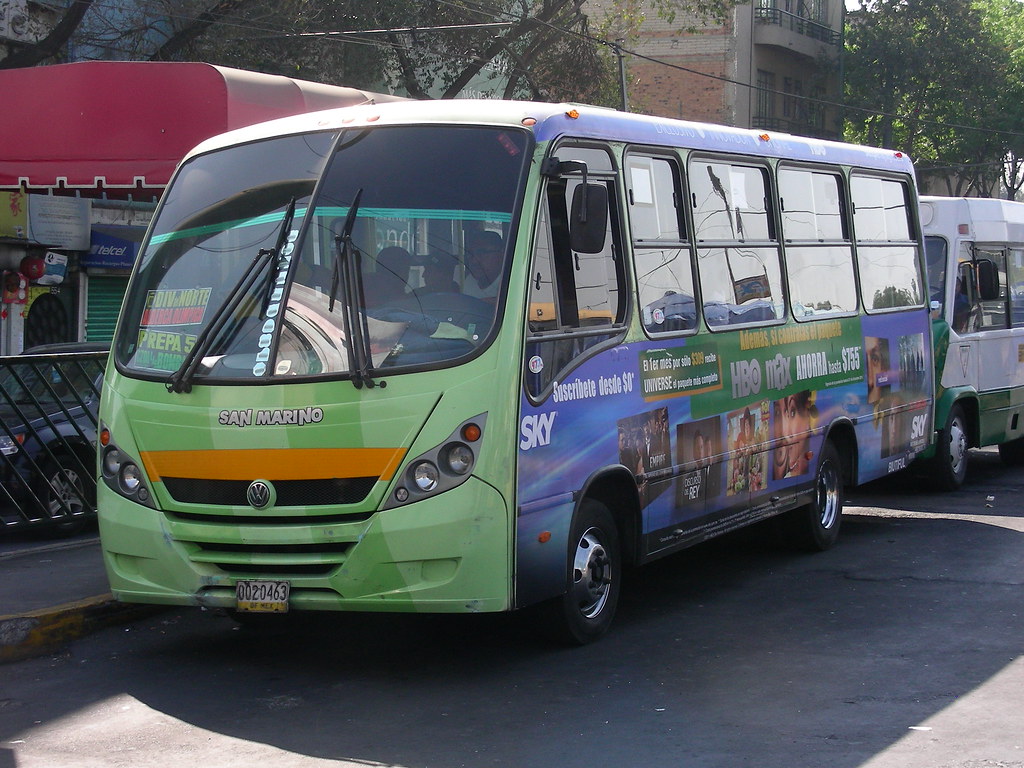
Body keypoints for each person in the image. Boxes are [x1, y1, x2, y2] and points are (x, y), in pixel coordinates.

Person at [463, 230, 504, 300]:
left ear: (501, 254)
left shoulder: (511, 285)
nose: (474, 261)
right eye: (470, 254)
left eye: (482, 253)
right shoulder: (469, 282)